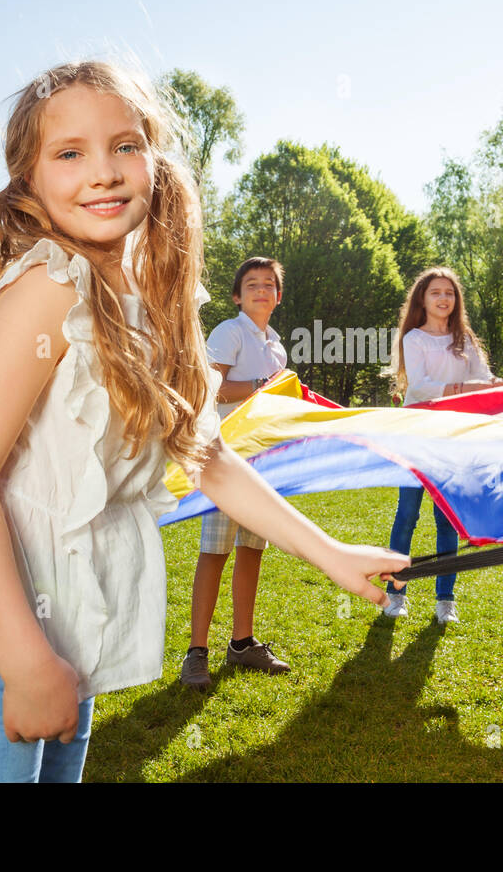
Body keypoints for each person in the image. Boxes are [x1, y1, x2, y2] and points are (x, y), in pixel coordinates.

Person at [0, 60, 407, 782]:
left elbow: (210, 457)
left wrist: (331, 554)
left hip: (71, 628)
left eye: (124, 146)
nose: (102, 171)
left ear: (154, 162)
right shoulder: (46, 286)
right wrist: (24, 657)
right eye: (69, 153)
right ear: (29, 179)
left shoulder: (150, 299)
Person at [181, 257, 290, 689]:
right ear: (237, 295)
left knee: (252, 550)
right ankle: (197, 653)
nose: (261, 291)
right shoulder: (229, 332)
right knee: (214, 553)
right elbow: (208, 387)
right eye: (252, 285)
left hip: (261, 461)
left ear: (278, 297)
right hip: (222, 459)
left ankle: (242, 643)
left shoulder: (277, 345)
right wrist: (263, 385)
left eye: (269, 285)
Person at [382, 267, 502, 623]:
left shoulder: (464, 338)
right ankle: (395, 595)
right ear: (423, 298)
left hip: (453, 439)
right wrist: (468, 389)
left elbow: (482, 376)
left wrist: (492, 383)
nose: (443, 298)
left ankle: (444, 601)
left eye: (449, 293)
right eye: (436, 292)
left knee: (446, 519)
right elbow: (419, 387)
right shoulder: (414, 339)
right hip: (416, 436)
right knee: (406, 516)